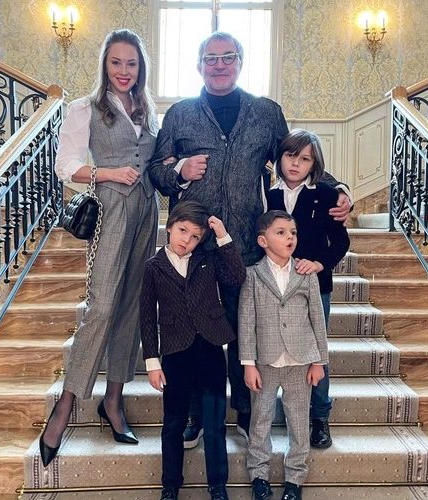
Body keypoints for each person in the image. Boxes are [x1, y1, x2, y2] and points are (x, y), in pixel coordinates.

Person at [148, 31, 351, 447]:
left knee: (245, 331)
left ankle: (245, 411)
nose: (219, 64)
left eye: (228, 57)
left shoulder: (265, 112)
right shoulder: (180, 114)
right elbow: (157, 171)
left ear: (240, 62)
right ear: (199, 65)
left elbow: (296, 159)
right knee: (194, 332)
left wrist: (339, 188)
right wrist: (180, 170)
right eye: (211, 58)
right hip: (194, 249)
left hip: (244, 247)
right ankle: (196, 414)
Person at [39, 29, 159, 467]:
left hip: (147, 213)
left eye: (131, 63)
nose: (124, 71)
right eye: (116, 62)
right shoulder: (84, 108)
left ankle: (113, 400)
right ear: (105, 65)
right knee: (103, 306)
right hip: (110, 208)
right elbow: (65, 166)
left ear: (140, 68)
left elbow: (154, 161)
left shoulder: (149, 110)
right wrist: (108, 173)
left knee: (131, 305)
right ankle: (67, 403)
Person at [140, 201, 246, 500]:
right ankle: (170, 486)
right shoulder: (153, 267)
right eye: (183, 231)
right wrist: (152, 362)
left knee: (214, 423)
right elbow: (146, 316)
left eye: (195, 236)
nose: (186, 240)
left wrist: (222, 236)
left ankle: (218, 486)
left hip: (210, 347)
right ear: (170, 226)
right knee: (173, 422)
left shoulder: (208, 259)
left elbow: (237, 276)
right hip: (175, 352)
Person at [266, 129, 350, 450]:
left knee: (315, 351)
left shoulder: (326, 196)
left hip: (314, 287)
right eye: (290, 156)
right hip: (274, 288)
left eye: (304, 159)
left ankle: (320, 416)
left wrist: (320, 263)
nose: (295, 164)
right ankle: (276, 409)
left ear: (314, 164)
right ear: (280, 157)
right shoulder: (268, 195)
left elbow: (341, 241)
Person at [238, 211, 329, 500]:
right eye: (281, 232)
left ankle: (295, 479)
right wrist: (248, 364)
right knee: (260, 420)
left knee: (299, 422)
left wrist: (319, 361)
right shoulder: (252, 275)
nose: (289, 237)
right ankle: (259, 476)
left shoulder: (306, 274)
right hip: (265, 361)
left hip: (300, 361)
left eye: (293, 232)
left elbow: (317, 319)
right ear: (262, 241)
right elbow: (246, 322)